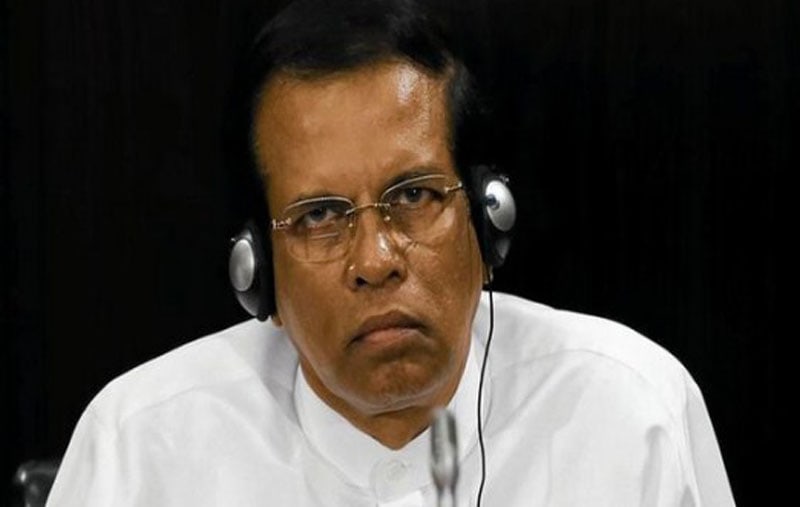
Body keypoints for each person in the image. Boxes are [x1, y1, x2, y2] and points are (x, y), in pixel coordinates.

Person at [47, 0, 734, 505]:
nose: (375, 260)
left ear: (487, 219)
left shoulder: (631, 412)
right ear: (257, 272)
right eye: (320, 215)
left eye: (413, 196)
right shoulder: (139, 450)